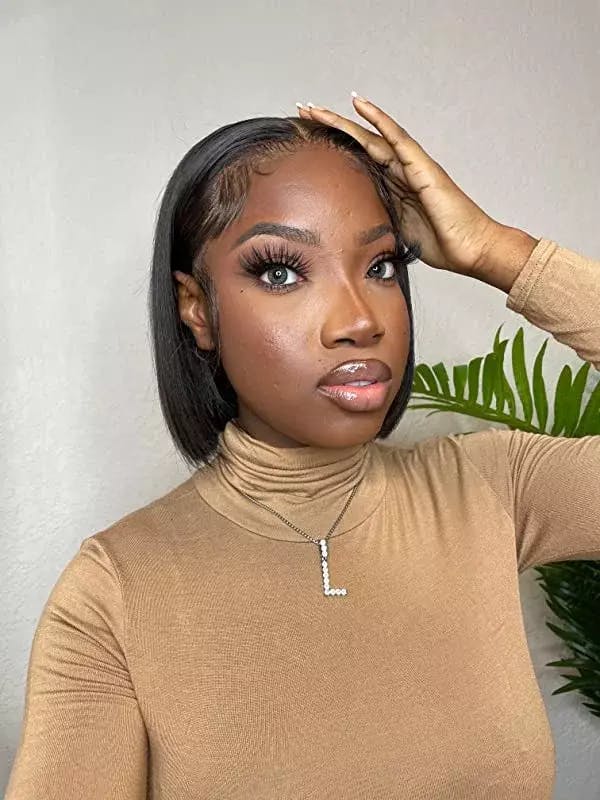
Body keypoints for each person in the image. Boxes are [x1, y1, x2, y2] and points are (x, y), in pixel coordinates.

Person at [5, 93, 600, 800]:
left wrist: (497, 251)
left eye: (381, 266)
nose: (359, 320)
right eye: (281, 272)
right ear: (197, 308)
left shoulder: (495, 489)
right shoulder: (113, 595)